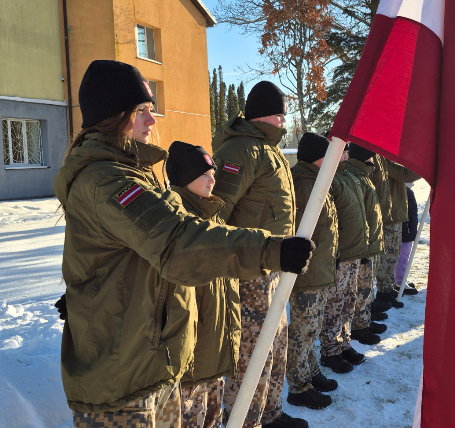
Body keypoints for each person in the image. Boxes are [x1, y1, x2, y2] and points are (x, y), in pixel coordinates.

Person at [53, 60, 313, 428]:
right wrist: (271, 250)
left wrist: (85, 297)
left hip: (146, 362)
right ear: (114, 116)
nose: (152, 120)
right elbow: (178, 242)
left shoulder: (128, 174)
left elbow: (123, 256)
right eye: (141, 111)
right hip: (122, 380)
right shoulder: (107, 181)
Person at [211, 81, 305, 428]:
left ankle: (270, 413)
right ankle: (244, 420)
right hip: (250, 273)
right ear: (266, 115)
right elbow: (216, 212)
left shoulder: (268, 149)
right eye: (281, 114)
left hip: (274, 269)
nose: (284, 121)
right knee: (251, 354)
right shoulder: (240, 151)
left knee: (275, 343)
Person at [164, 141, 239, 428]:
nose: (212, 180)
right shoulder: (177, 221)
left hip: (214, 347)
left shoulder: (213, 215)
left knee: (212, 416)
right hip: (192, 356)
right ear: (184, 179)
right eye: (204, 174)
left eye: (213, 173)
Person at [284, 133, 340, 411]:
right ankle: (298, 387)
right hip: (307, 275)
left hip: (318, 271)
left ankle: (310, 371)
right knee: (302, 331)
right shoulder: (304, 186)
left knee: (312, 328)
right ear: (320, 158)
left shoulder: (315, 182)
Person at [318, 141, 374, 377]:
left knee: (348, 300)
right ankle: (330, 350)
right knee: (334, 303)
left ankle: (344, 343)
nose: (346, 155)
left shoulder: (347, 177)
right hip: (339, 256)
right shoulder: (328, 179)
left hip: (353, 253)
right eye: (341, 152)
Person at [344, 143, 388, 345]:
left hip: (370, 243)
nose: (374, 161)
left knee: (367, 287)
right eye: (371, 157)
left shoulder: (362, 176)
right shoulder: (355, 177)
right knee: (361, 289)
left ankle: (365, 321)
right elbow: (358, 217)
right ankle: (359, 326)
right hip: (364, 245)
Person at [371, 155, 422, 308]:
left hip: (394, 216)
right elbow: (406, 174)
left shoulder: (385, 162)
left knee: (393, 256)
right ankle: (383, 292)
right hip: (388, 217)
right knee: (388, 257)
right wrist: (424, 162)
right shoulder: (380, 161)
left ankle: (386, 289)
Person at [393, 182, 420, 292]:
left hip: (404, 229)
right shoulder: (405, 192)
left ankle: (397, 279)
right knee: (402, 257)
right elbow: (409, 214)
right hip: (405, 230)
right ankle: (400, 282)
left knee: (398, 257)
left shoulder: (402, 191)